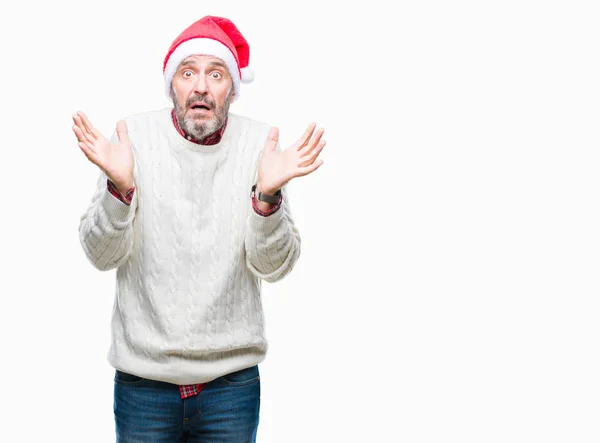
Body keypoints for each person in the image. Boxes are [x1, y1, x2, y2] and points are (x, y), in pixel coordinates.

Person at [73, 15, 325, 442]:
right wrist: (121, 189)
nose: (201, 87)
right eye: (188, 73)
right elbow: (101, 256)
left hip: (231, 387)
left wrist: (266, 198)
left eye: (216, 73)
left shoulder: (259, 146)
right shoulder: (133, 139)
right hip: (143, 386)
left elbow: (274, 267)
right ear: (173, 84)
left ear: (232, 88)